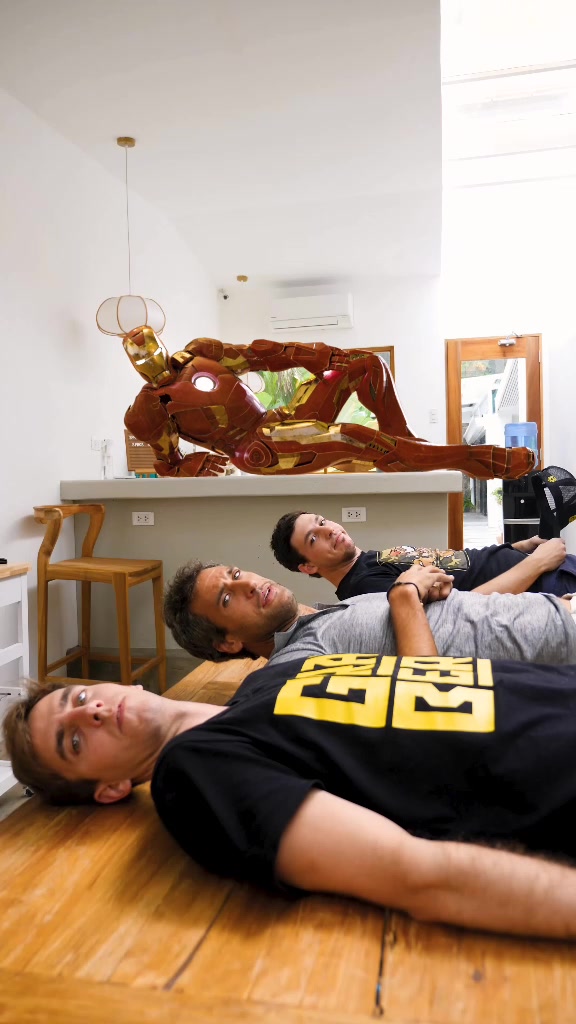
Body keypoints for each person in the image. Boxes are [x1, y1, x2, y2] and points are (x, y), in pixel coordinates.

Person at [8, 571, 576, 942]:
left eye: (78, 698)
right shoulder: (196, 771)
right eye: (73, 741)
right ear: (109, 788)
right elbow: (415, 875)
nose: (91, 712)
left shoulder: (263, 687)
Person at [120, 326, 534, 479]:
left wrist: (316, 357)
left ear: (161, 341)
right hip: (257, 449)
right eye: (139, 355)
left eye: (150, 346)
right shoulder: (148, 408)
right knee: (351, 436)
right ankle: (468, 458)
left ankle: (405, 446)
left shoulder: (198, 353)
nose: (148, 357)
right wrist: (188, 466)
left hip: (278, 420)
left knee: (365, 364)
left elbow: (262, 355)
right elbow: (166, 464)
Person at [162, 559, 576, 666]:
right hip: (559, 640)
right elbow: (428, 692)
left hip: (551, 607)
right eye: (227, 599)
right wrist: (405, 595)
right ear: (228, 643)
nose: (248, 584)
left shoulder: (323, 614)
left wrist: (425, 592)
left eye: (236, 574)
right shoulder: (298, 661)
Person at [270, 511, 576, 600]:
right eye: (313, 538)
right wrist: (537, 564)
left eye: (322, 521)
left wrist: (519, 547)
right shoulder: (364, 587)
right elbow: (464, 610)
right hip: (543, 585)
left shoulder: (367, 561)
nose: (328, 530)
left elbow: (457, 561)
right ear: (308, 566)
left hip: (539, 565)